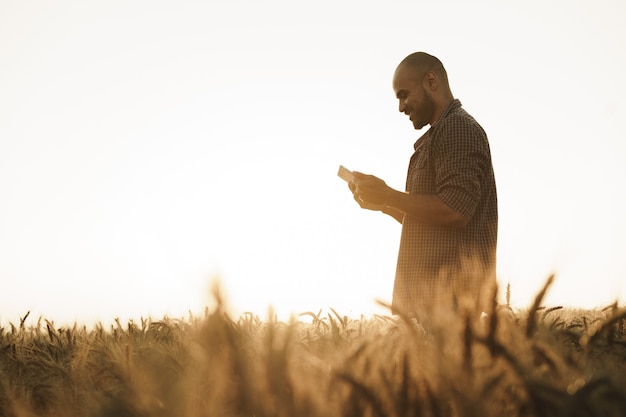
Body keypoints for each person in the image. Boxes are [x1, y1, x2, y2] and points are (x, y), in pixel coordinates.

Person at [347, 52, 498, 316]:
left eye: (404, 95)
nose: (401, 107)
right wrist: (382, 203)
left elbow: (454, 210)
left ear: (431, 81)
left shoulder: (458, 129)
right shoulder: (439, 135)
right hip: (433, 305)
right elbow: (427, 220)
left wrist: (390, 195)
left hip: (451, 303)